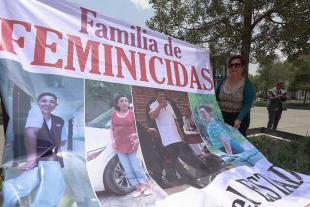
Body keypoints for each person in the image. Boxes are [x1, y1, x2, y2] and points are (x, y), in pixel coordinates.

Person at [2, 92, 67, 207]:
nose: (48, 104)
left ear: (55, 105)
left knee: (53, 182)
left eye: (52, 102)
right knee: (48, 182)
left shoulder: (59, 121)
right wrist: (31, 159)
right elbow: (30, 132)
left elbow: (63, 140)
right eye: (44, 100)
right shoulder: (34, 114)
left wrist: (53, 144)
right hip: (38, 155)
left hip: (51, 156)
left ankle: (12, 190)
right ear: (38, 103)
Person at [110, 94, 152, 198]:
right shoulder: (113, 114)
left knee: (137, 168)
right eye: (122, 101)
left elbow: (141, 130)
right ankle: (138, 188)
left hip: (133, 145)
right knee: (127, 170)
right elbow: (111, 129)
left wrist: (137, 136)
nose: (124, 102)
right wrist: (113, 141)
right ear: (117, 103)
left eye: (126, 101)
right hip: (120, 146)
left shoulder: (132, 113)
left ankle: (148, 187)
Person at [215, 55, 255, 137]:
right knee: (221, 142)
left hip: (237, 120)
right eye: (231, 65)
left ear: (242, 67)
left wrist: (239, 119)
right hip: (222, 118)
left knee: (237, 145)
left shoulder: (247, 84)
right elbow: (214, 96)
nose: (233, 67)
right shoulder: (223, 81)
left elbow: (247, 104)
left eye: (237, 65)